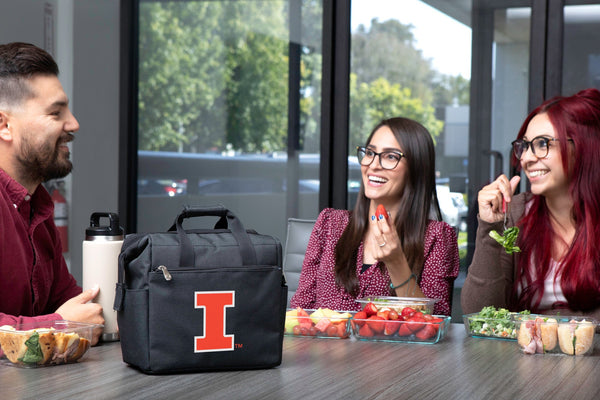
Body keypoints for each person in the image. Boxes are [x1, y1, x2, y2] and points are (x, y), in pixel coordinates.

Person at [290, 117, 460, 315]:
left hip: (394, 347)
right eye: (370, 153)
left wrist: (396, 263)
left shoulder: (437, 238)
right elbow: (300, 312)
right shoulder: (330, 224)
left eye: (390, 156)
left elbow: (433, 323)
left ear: (416, 169)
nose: (373, 165)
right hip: (325, 345)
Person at [461, 88, 600, 321]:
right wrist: (490, 227)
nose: (525, 158)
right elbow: (479, 314)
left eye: (542, 143)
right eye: (524, 146)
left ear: (583, 147)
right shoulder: (514, 213)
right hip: (523, 354)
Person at [0, 42, 104, 344]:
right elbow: (67, 318)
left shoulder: (37, 207)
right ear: (5, 125)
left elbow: (73, 305)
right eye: (56, 113)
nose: (73, 124)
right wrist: (60, 325)